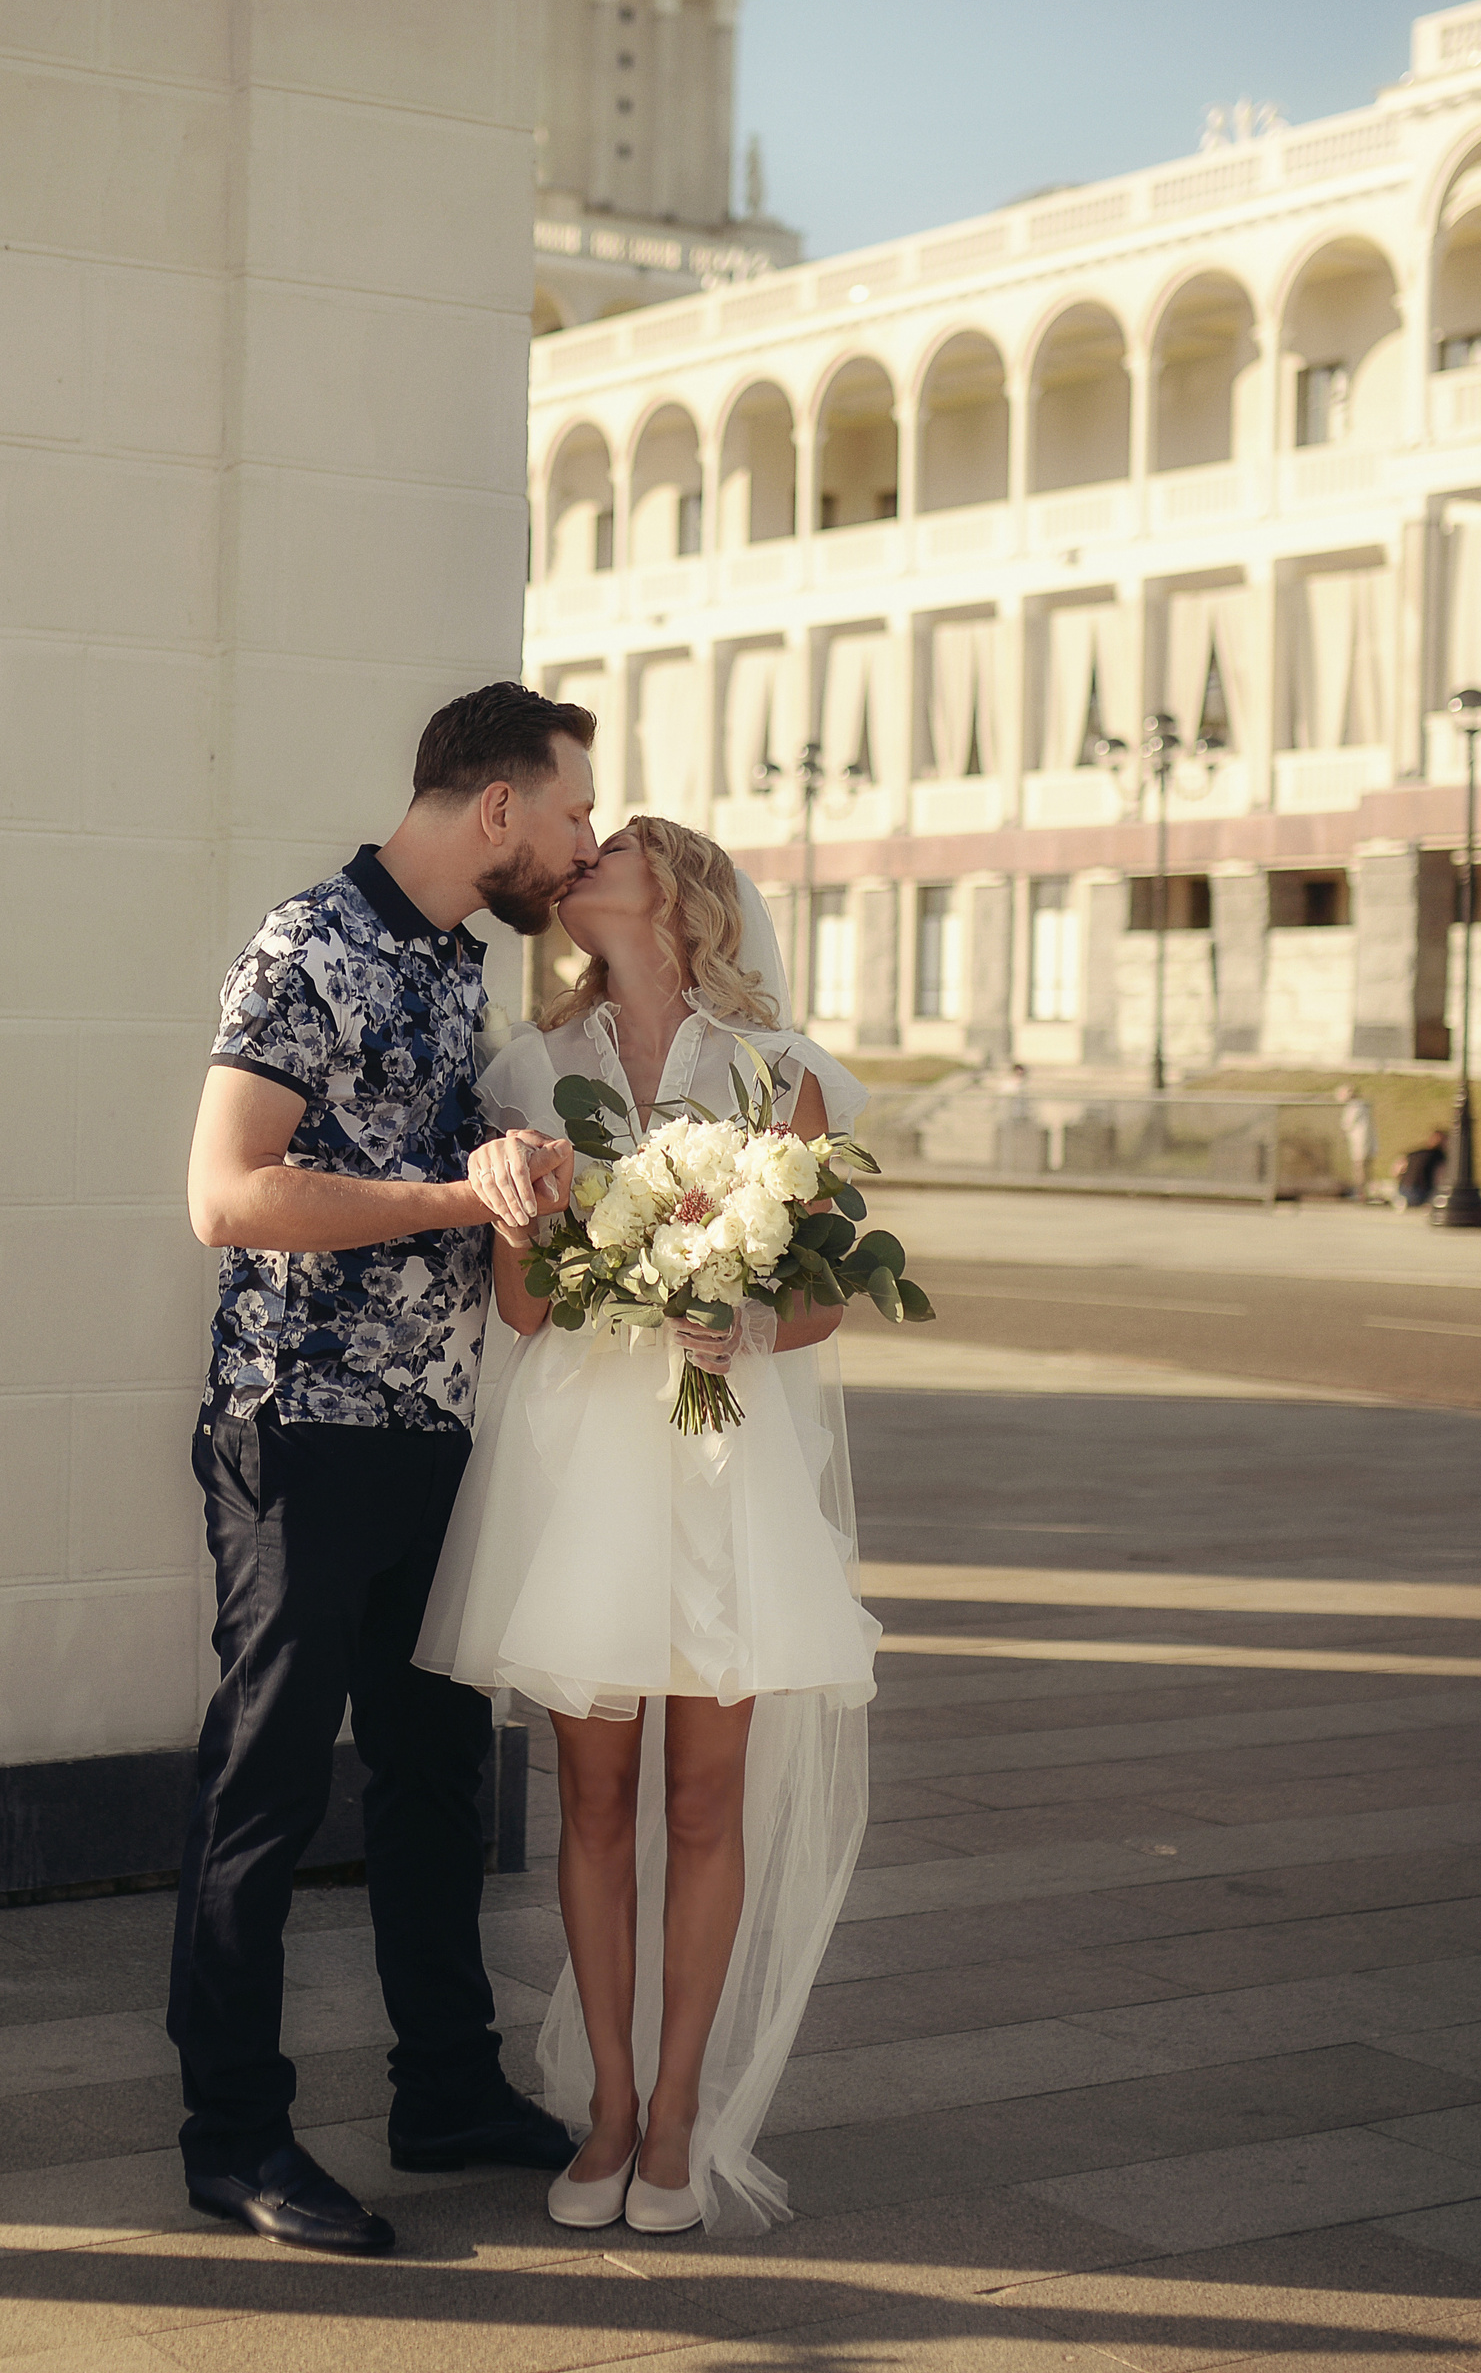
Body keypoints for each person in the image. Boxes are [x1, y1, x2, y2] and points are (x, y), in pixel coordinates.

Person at [168, 683, 601, 2257]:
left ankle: (448, 2092)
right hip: (295, 1433)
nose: (583, 843)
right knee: (268, 1788)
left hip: (429, 1433)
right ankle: (233, 2140)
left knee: (435, 1783)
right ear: (497, 806)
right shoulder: (311, 945)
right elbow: (226, 1196)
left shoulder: (454, 962)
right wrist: (455, 1199)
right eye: (570, 813)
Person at [416, 817, 878, 2239]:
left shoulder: (779, 1073)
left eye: (608, 845)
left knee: (704, 1801)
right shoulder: (528, 1072)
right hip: (587, 1474)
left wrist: (743, 1317)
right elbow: (522, 1309)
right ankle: (609, 2105)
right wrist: (523, 1214)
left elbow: (824, 1299)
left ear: (678, 888)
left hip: (728, 1466)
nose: (580, 861)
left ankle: (679, 2112)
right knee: (595, 1798)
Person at [1334, 1082, 1376, 1200]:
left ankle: (1361, 1193)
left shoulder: (1354, 1107)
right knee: (1364, 1169)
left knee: (1360, 1170)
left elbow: (1346, 1124)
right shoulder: (1362, 1106)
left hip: (1360, 1145)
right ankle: (1364, 1192)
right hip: (1365, 1144)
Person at [1395, 1126, 1448, 1212]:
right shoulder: (1439, 1156)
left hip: (1403, 1189)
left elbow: (1396, 1171)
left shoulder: (1414, 1153)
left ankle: (1405, 1201)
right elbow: (1439, 1178)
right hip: (1421, 1192)